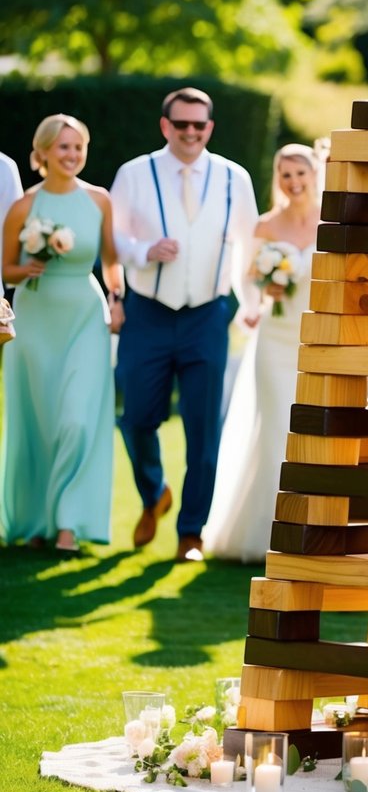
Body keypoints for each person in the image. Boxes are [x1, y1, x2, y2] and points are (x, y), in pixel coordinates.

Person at [110, 87, 260, 563]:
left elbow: (250, 245)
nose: (190, 133)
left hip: (207, 314)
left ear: (210, 128)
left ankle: (190, 532)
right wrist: (143, 250)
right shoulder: (134, 173)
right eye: (181, 125)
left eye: (199, 125)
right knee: (136, 418)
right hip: (148, 311)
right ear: (165, 126)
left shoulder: (234, 177)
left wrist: (251, 303)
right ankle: (154, 491)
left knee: (202, 427)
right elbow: (113, 238)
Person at [0, 115, 124, 554]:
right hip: (35, 316)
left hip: (85, 317)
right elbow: (6, 269)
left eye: (78, 147)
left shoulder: (99, 200)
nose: (72, 155)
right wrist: (26, 267)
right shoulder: (23, 206)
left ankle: (68, 523)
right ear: (44, 152)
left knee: (75, 419)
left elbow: (111, 259)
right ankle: (36, 520)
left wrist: (118, 296)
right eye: (63, 148)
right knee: (40, 421)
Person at [202, 143, 323, 562]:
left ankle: (315, 529)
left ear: (314, 173)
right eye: (286, 175)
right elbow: (247, 279)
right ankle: (272, 533)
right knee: (277, 431)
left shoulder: (332, 220)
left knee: (316, 435)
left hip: (319, 340)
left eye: (300, 173)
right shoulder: (267, 226)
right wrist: (258, 296)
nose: (294, 182)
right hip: (275, 340)